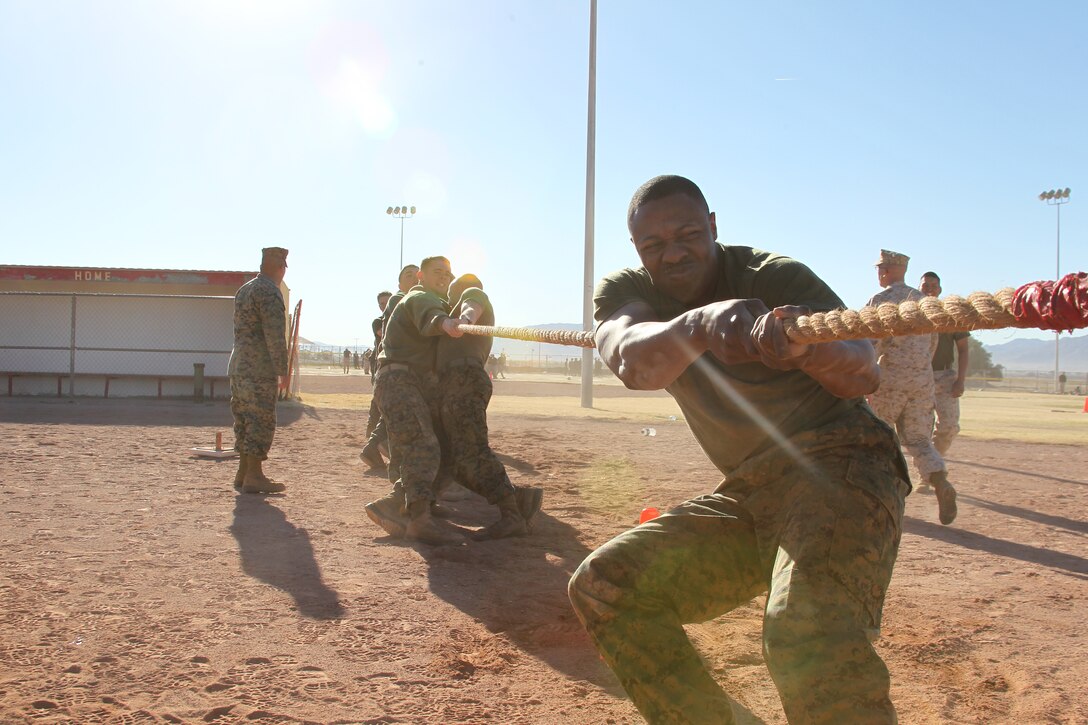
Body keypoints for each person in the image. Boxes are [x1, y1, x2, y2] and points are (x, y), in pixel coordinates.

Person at [567, 176, 910, 724]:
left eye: (686, 234)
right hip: (753, 488)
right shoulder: (629, 291)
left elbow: (862, 371)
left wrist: (804, 350)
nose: (673, 252)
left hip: (843, 462)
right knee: (606, 586)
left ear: (713, 227)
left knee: (806, 629)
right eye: (653, 245)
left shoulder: (773, 275)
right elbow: (632, 361)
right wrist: (699, 325)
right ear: (636, 250)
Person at [364, 256, 466, 545]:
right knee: (422, 444)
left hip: (413, 382)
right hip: (399, 379)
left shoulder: (433, 299)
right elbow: (432, 317)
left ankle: (402, 504)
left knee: (441, 447)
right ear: (421, 275)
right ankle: (418, 519)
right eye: (438, 272)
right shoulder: (419, 296)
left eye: (448, 274)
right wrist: (446, 323)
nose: (444, 278)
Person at [435, 274, 543, 539]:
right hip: (452, 382)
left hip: (465, 379)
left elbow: (472, 305)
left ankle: (513, 514)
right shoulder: (450, 316)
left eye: (451, 293)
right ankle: (520, 501)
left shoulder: (472, 293)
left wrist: (466, 320)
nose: (449, 298)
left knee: (473, 452)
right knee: (451, 455)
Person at [867, 252, 957, 524]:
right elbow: (932, 345)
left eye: (880, 268)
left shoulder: (881, 301)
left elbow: (870, 344)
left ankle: (879, 494)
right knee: (919, 440)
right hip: (922, 380)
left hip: (891, 378)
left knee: (878, 435)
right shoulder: (924, 301)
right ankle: (940, 480)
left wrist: (867, 379)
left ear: (886, 270)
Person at [230, 247, 290, 495]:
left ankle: (243, 473)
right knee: (261, 419)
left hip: (239, 364)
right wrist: (283, 370)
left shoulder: (246, 288)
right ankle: (254, 475)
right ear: (281, 268)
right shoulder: (269, 291)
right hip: (259, 367)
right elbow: (274, 335)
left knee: (243, 418)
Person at [361, 267, 419, 469]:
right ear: (399, 284)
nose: (415, 278)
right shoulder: (400, 302)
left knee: (390, 411)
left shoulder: (412, 302)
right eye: (408, 275)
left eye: (417, 274)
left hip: (396, 368)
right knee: (388, 411)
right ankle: (382, 450)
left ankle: (373, 446)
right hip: (396, 368)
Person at [920, 272, 970, 455]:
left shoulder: (950, 315)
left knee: (949, 426)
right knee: (919, 429)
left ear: (940, 290)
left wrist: (961, 380)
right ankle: (927, 473)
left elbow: (964, 350)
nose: (929, 290)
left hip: (944, 377)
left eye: (933, 286)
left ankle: (934, 463)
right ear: (919, 288)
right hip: (917, 377)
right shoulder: (911, 314)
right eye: (925, 285)